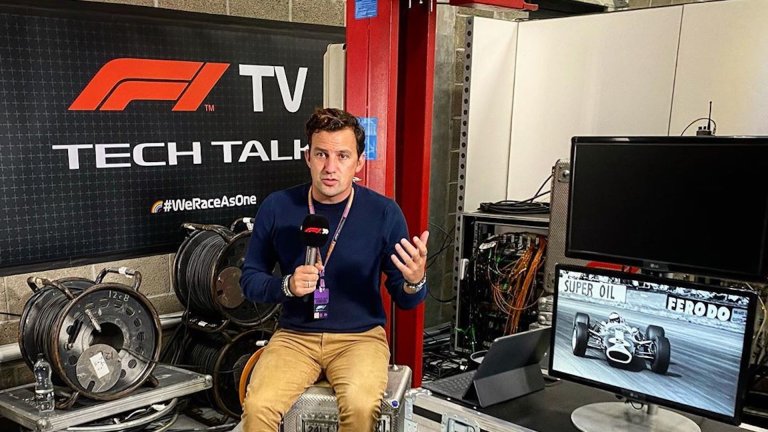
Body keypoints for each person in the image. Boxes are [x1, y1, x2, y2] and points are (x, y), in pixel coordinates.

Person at [239, 107, 429, 432]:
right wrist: (286, 285)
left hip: (360, 338)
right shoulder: (277, 207)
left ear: (359, 162)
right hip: (295, 337)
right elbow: (249, 280)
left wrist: (414, 281)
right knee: (257, 408)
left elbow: (407, 299)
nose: (330, 167)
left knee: (360, 407)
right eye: (321, 154)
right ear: (307, 157)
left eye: (342, 156)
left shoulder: (384, 213)